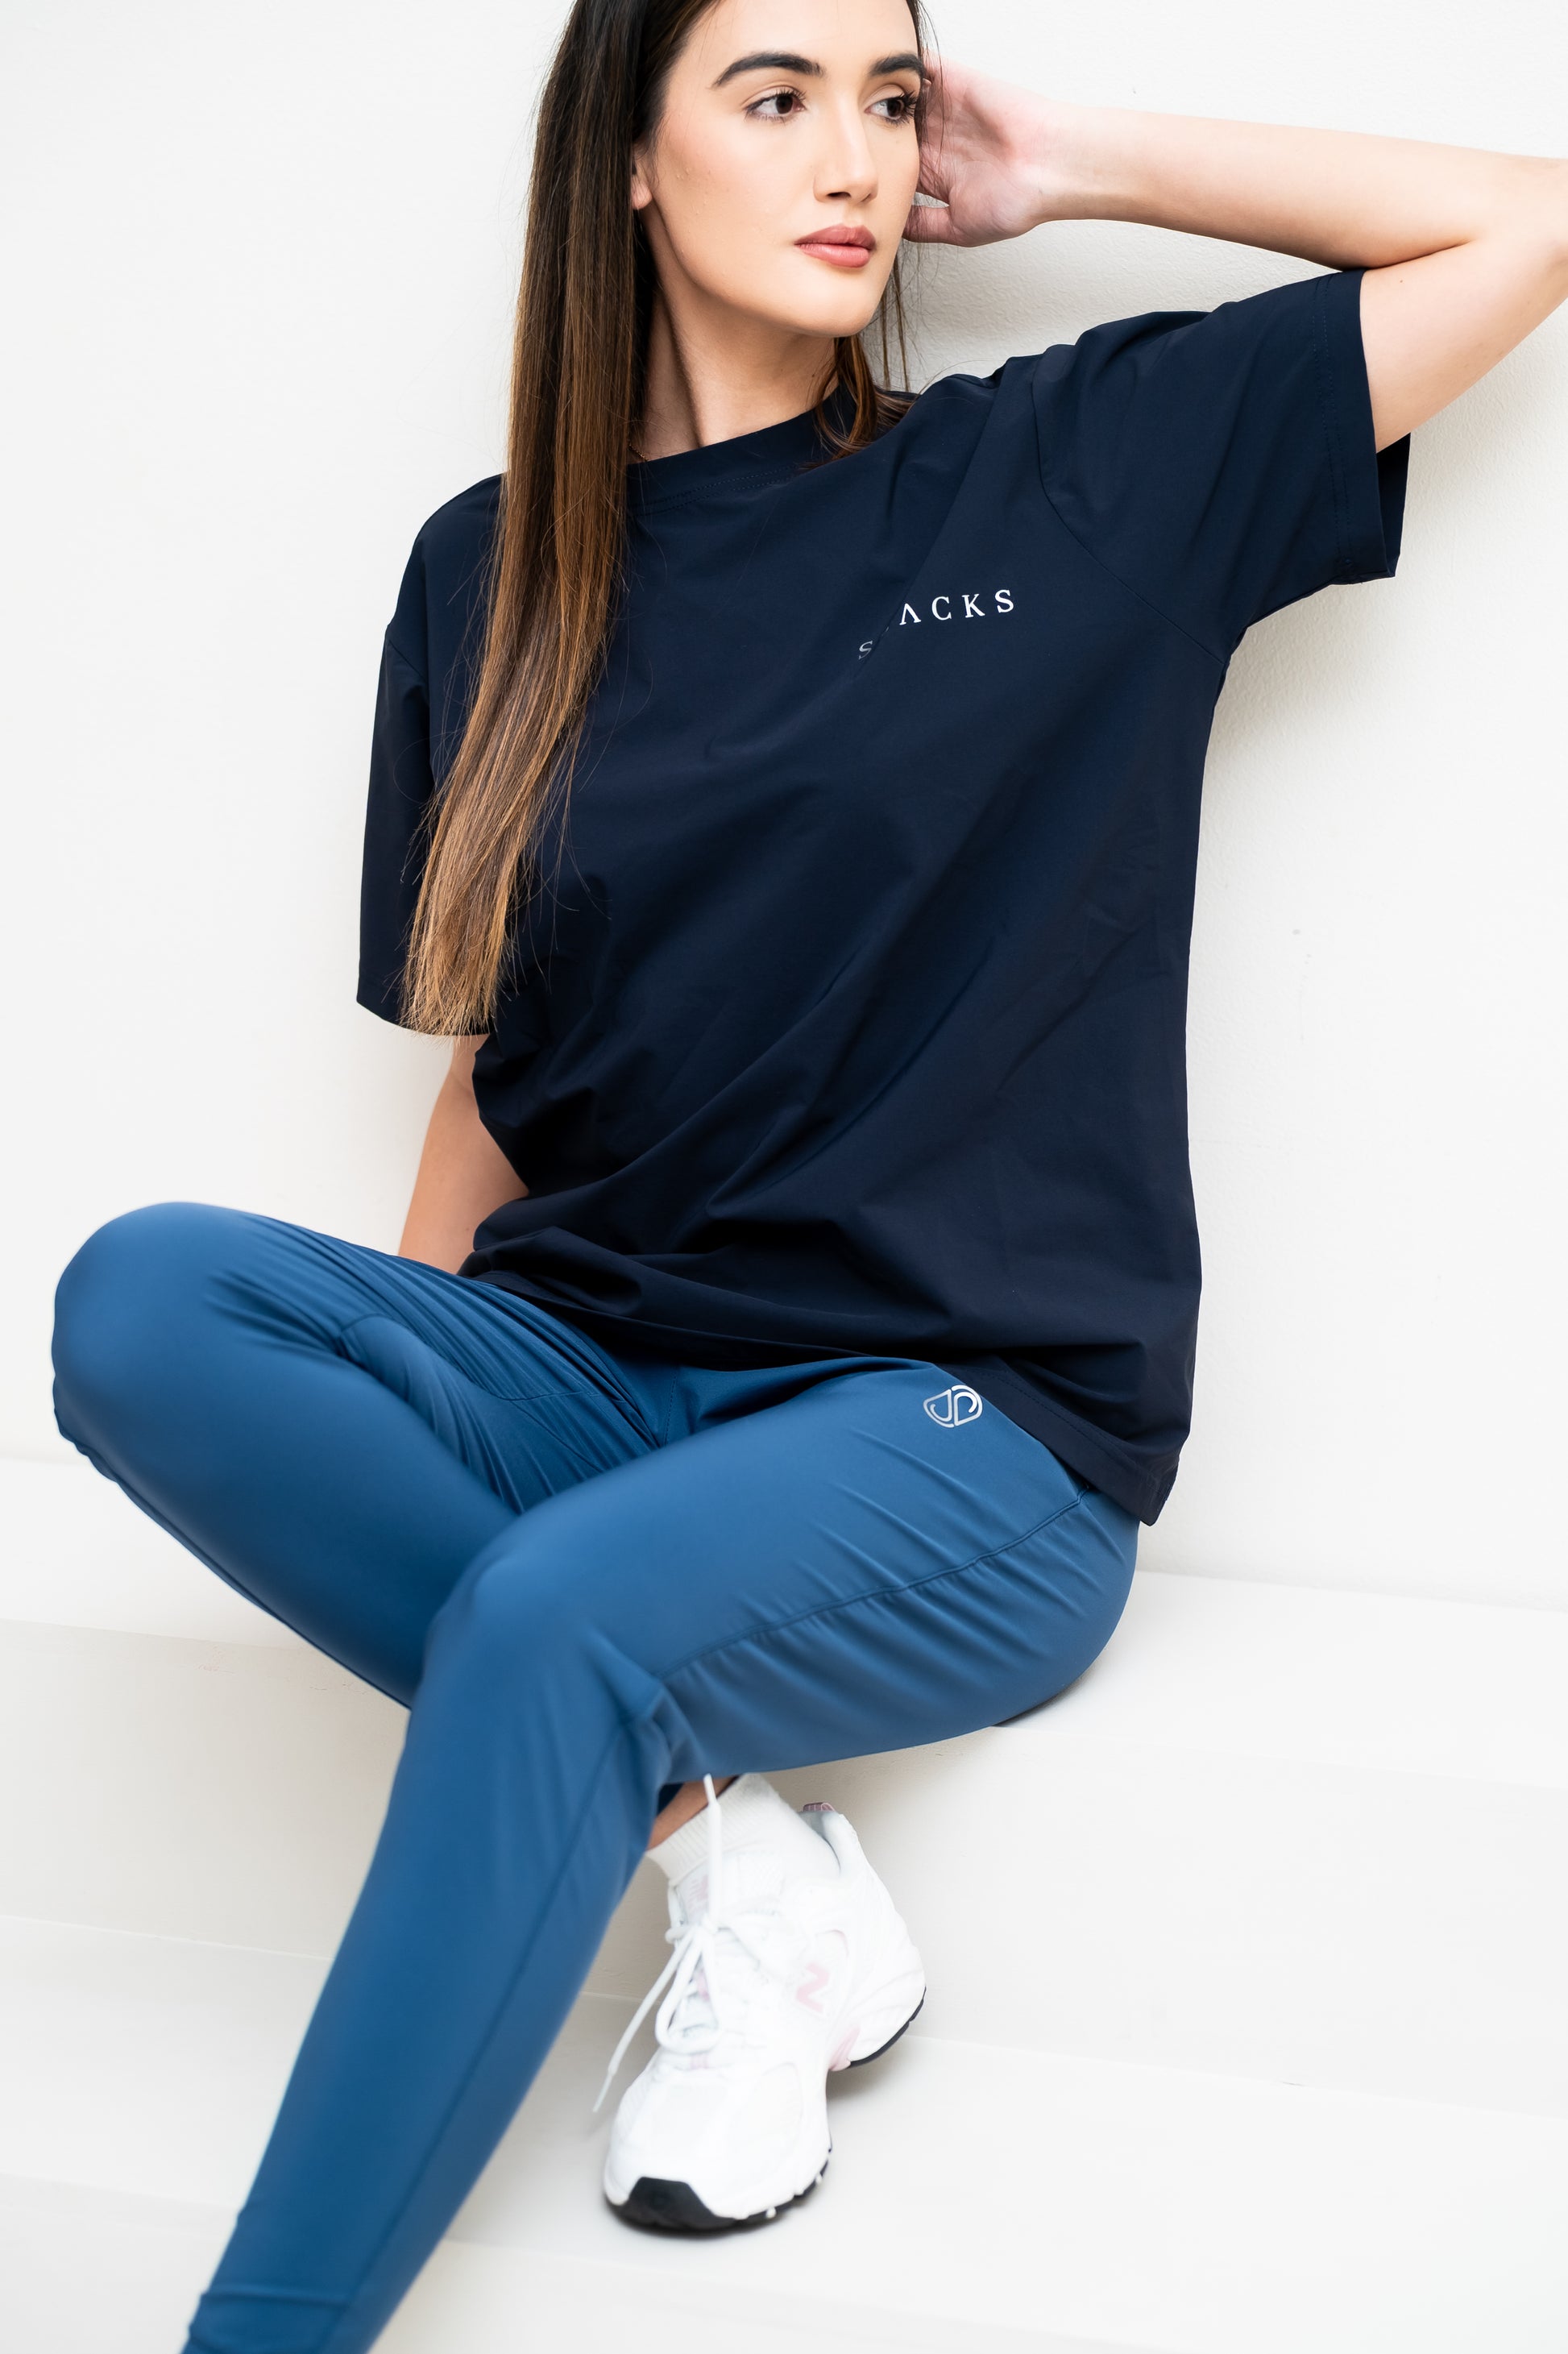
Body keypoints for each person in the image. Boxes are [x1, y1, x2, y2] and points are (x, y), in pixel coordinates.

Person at [49, 0, 1567, 2347]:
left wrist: (1068, 156)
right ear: (629, 160)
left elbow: (1524, 225)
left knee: (553, 1617)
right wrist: (422, 1416)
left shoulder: (1071, 468)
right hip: (598, 1373)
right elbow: (498, 1075)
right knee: (138, 1298)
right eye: (774, 97)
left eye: (886, 95)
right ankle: (746, 1877)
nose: (852, 152)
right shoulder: (487, 575)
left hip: (966, 1436)